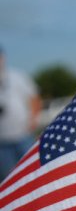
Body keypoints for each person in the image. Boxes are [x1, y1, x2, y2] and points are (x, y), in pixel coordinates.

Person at [0, 46, 41, 181]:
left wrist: (33, 120)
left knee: (35, 172)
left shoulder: (17, 76)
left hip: (23, 135)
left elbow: (34, 98)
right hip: (3, 142)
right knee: (9, 179)